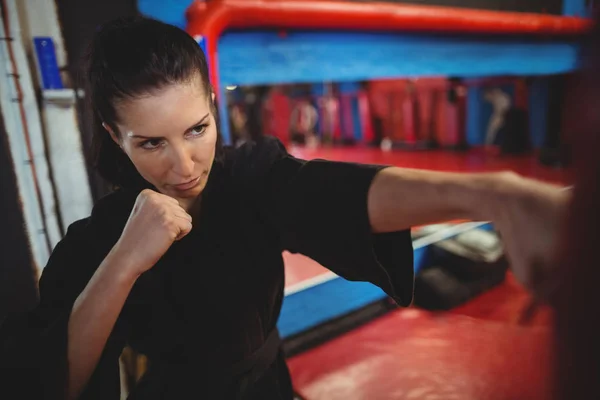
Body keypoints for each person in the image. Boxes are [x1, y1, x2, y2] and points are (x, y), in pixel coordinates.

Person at [0, 16, 568, 400]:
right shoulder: (97, 238)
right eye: (151, 143)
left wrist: (493, 193)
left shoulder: (250, 177)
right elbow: (55, 381)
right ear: (113, 135)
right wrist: (123, 262)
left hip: (271, 383)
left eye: (197, 129)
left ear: (214, 104)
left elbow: (340, 196)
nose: (184, 166)